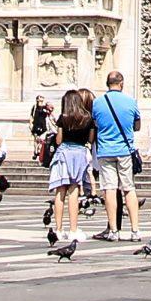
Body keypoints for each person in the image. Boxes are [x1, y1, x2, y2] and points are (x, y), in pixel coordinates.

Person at [87, 70, 144, 240]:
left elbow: (96, 123)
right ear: (121, 83)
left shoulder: (97, 103)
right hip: (125, 151)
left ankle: (113, 231)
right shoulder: (131, 101)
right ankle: (135, 230)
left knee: (109, 189)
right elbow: (137, 126)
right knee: (128, 188)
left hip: (105, 151)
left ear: (107, 84)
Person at [47, 86, 95, 243]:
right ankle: (73, 229)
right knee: (74, 192)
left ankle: (59, 229)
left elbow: (59, 140)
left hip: (64, 153)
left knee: (60, 193)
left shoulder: (63, 117)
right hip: (79, 154)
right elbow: (90, 140)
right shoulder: (88, 118)